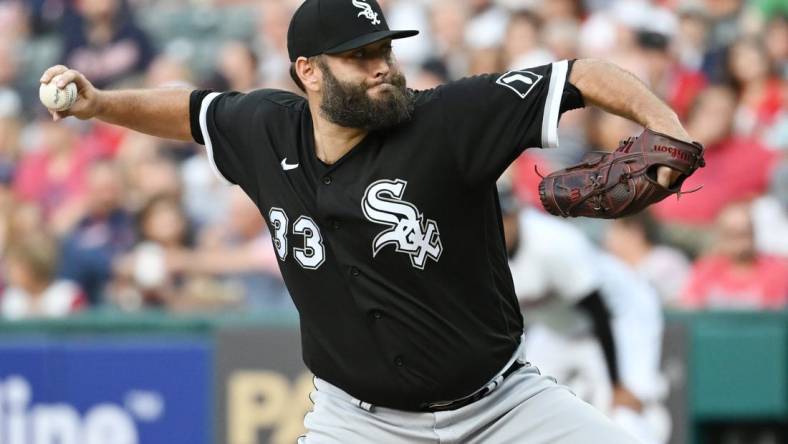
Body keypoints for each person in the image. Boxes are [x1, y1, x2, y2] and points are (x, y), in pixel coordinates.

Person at [38, 0, 697, 441]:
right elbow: (189, 111)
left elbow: (581, 73)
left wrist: (664, 125)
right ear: (308, 72)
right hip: (359, 423)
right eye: (358, 55)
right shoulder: (265, 128)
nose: (381, 64)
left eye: (383, 47)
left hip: (505, 409)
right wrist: (101, 104)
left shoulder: (448, 119)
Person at [502, 194, 667, 444]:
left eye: (503, 217)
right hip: (558, 326)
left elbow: (599, 311)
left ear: (516, 214)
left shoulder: (552, 243)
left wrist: (616, 382)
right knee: (521, 405)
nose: (499, 225)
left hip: (619, 316)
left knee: (622, 409)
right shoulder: (484, 248)